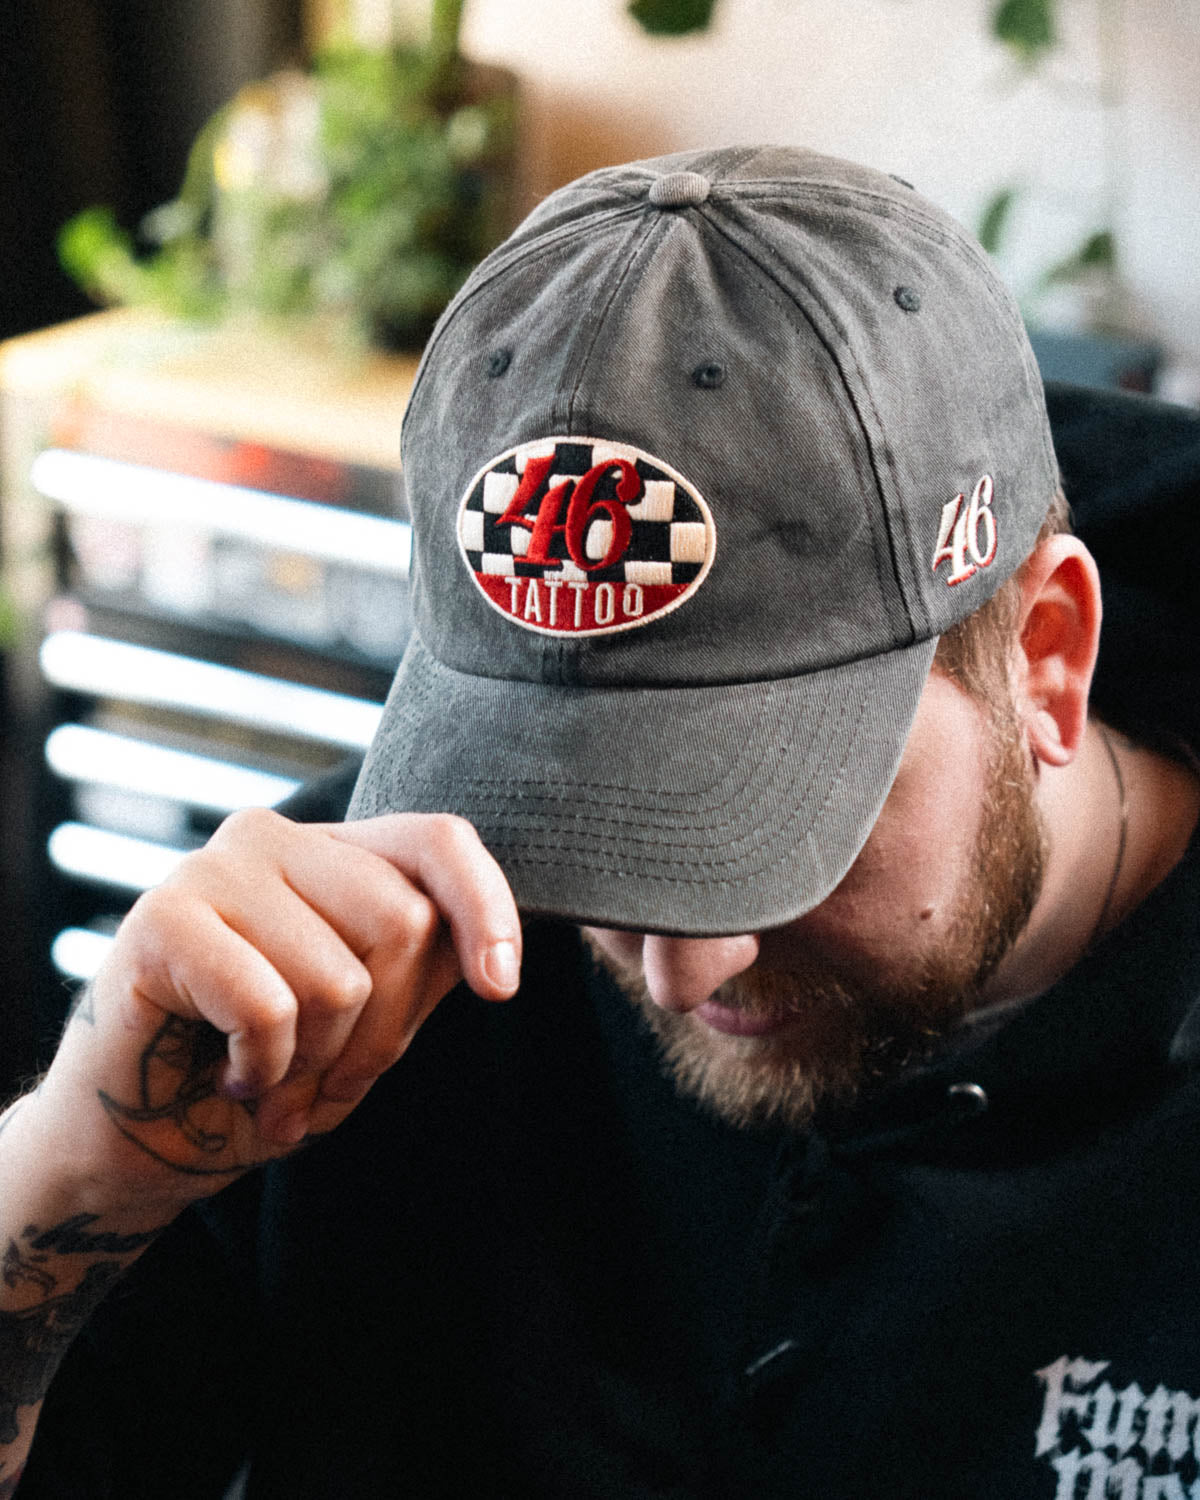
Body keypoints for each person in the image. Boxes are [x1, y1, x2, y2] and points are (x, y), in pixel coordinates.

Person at [4, 145, 1200, 1499]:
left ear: (1047, 655)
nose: (675, 966)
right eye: (575, 811)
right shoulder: (364, 960)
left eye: (771, 814)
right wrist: (64, 1173)